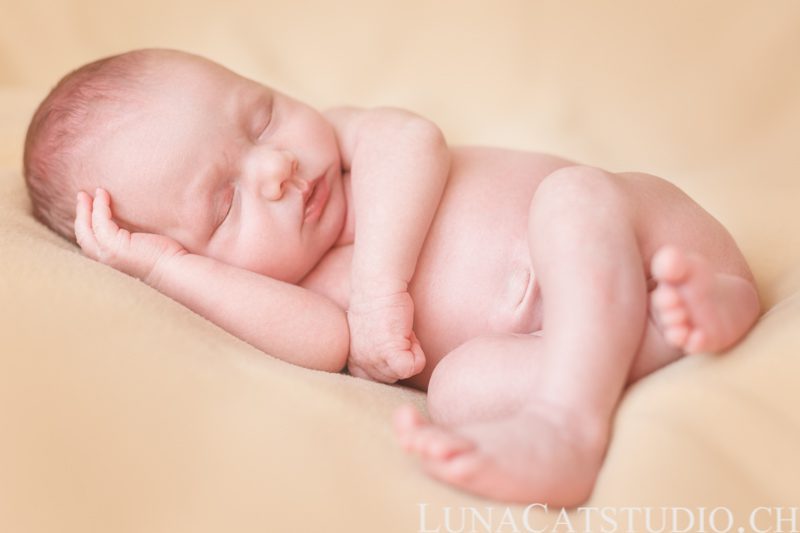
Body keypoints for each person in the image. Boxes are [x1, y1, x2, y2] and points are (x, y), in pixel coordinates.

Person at [23, 48, 760, 506]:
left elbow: (411, 138)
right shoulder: (296, 290)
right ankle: (676, 326)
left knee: (571, 202)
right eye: (226, 201)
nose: (275, 167)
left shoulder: (348, 144)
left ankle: (570, 424)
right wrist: (167, 267)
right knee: (457, 388)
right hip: (593, 332)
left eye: (260, 117)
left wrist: (381, 285)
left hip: (638, 236)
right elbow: (320, 341)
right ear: (206, 259)